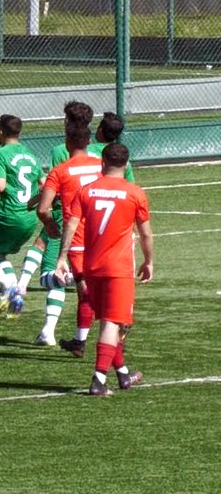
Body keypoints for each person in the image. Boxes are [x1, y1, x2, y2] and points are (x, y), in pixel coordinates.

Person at [55, 143, 154, 396]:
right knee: (113, 322)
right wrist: (148, 261)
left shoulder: (87, 191)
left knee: (108, 321)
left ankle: (122, 374)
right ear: (127, 164)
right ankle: (98, 380)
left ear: (102, 163)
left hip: (91, 265)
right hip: (118, 268)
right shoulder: (135, 193)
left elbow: (71, 224)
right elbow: (145, 234)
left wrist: (62, 257)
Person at [16, 100, 94, 346]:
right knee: (42, 246)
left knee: (53, 275)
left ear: (68, 123)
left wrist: (40, 202)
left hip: (65, 217)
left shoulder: (61, 151)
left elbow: (57, 186)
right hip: (97, 222)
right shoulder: (101, 153)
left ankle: (48, 330)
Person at [35, 122, 102, 351]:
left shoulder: (60, 171)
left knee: (85, 290)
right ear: (89, 142)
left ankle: (114, 323)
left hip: (78, 238)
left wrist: (50, 224)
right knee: (97, 285)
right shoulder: (103, 165)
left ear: (67, 143)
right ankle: (80, 341)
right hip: (105, 234)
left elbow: (43, 209)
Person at [0, 114, 42, 316]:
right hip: (29, 219)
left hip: (8, 216)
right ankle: (16, 294)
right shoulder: (30, 155)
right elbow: (44, 184)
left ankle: (7, 286)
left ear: (1, 131)